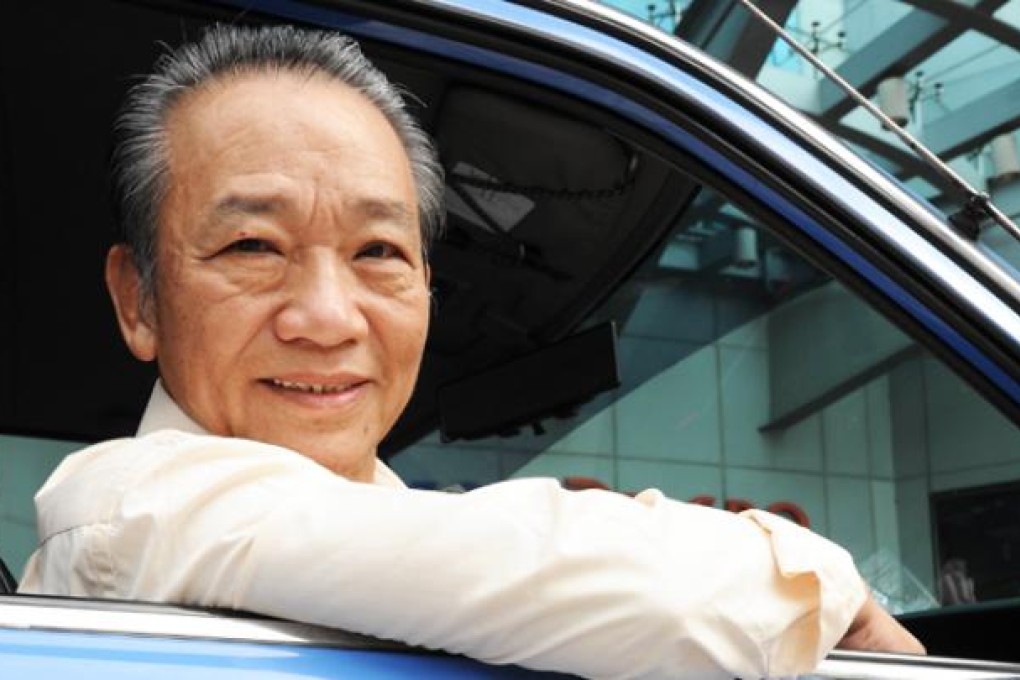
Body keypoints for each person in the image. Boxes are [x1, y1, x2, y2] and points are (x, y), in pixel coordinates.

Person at [19, 24, 923, 678]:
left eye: (379, 252)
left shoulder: (393, 532)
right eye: (253, 247)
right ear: (139, 301)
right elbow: (656, 599)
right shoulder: (132, 515)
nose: (329, 317)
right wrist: (820, 584)